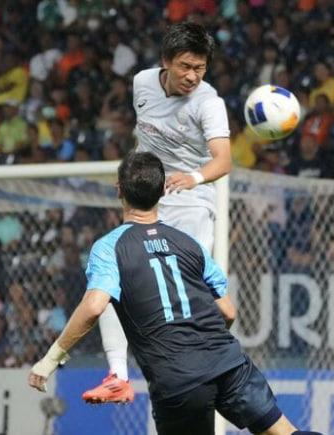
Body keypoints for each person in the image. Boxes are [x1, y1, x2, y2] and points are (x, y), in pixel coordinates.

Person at [28, 153, 317, 435]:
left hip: (179, 380)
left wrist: (51, 359)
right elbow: (228, 311)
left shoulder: (110, 248)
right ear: (162, 192)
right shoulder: (189, 243)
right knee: (284, 432)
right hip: (229, 363)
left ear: (119, 190)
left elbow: (93, 307)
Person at [84, 22, 233, 404]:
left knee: (189, 292)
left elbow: (224, 160)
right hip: (149, 196)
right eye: (185, 66)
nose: (193, 76)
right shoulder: (142, 83)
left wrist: (192, 178)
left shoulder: (209, 103)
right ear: (166, 61)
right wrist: (136, 175)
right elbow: (145, 138)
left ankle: (208, 358)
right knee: (113, 278)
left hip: (191, 203)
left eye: (200, 68)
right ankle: (118, 375)